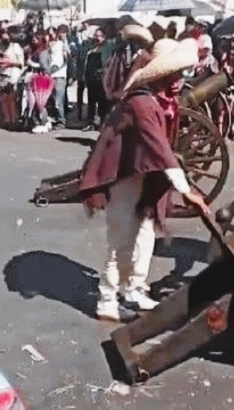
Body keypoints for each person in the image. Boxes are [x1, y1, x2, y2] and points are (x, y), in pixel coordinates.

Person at [79, 38, 211, 322]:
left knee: (145, 232)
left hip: (143, 174)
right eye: (173, 74)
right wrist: (188, 192)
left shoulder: (162, 100)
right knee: (121, 237)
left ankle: (135, 288)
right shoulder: (141, 103)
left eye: (180, 74)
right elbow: (161, 150)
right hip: (121, 174)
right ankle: (107, 299)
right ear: (159, 75)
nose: (178, 81)